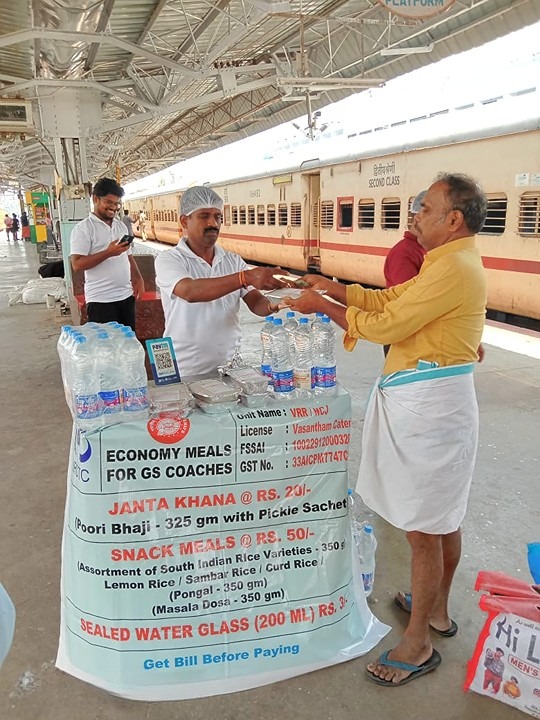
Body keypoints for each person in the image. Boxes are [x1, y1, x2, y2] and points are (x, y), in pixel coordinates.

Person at [281, 173, 488, 686]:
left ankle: (417, 643)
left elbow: (386, 327)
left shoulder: (454, 267)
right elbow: (393, 304)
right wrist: (338, 288)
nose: (415, 215)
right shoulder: (444, 263)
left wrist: (324, 307)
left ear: (453, 219)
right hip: (427, 404)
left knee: (424, 529)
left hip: (431, 411)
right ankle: (434, 610)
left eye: (426, 207)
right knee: (441, 518)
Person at [155, 186, 286, 378]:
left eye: (217, 217)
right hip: (184, 370)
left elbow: (256, 302)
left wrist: (280, 302)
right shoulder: (169, 259)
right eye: (204, 216)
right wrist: (245, 277)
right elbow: (190, 292)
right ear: (185, 221)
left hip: (230, 368)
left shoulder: (232, 261)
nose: (212, 223)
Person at [70, 177, 144, 330]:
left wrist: (138, 278)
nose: (114, 207)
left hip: (126, 296)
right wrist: (108, 253)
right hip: (100, 301)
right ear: (95, 199)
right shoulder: (84, 229)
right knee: (106, 348)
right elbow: (77, 264)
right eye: (109, 202)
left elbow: (128, 256)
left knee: (127, 345)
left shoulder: (121, 226)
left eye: (117, 203)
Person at [382, 191, 427, 355]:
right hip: (403, 339)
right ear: (418, 219)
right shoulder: (404, 253)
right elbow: (409, 301)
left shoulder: (424, 250)